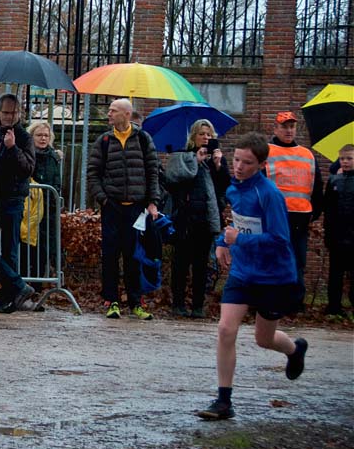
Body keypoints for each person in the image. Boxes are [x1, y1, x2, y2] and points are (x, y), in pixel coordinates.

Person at [198, 132, 308, 421]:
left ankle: (294, 349)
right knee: (225, 330)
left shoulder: (269, 194)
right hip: (243, 272)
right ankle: (224, 401)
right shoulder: (234, 189)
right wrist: (223, 242)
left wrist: (238, 240)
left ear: (261, 165)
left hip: (273, 276)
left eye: (247, 162)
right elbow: (238, 225)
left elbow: (280, 240)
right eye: (236, 159)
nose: (239, 166)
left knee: (263, 338)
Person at [87, 98, 160, 320]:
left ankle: (136, 302)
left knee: (134, 256)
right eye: (109, 110)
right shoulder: (104, 141)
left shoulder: (143, 139)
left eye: (113, 110)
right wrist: (103, 199)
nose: (109, 114)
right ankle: (111, 301)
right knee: (110, 256)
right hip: (112, 207)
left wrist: (152, 201)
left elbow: (152, 171)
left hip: (136, 208)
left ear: (127, 114)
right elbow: (92, 173)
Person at [164, 120, 229, 319]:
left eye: (209, 134)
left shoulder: (216, 160)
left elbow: (225, 186)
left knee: (201, 265)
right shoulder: (184, 156)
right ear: (194, 136)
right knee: (181, 263)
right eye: (202, 134)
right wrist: (195, 161)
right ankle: (178, 304)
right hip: (185, 218)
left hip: (205, 219)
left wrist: (218, 165)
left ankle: (198, 306)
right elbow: (173, 180)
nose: (206, 138)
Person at [264, 111, 323, 309]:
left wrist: (315, 212)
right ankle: (272, 302)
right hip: (275, 217)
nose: (289, 130)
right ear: (275, 128)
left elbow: (317, 186)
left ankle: (294, 304)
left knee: (297, 261)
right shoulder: (266, 152)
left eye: (292, 126)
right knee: (274, 259)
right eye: (284, 126)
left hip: (300, 217)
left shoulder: (307, 154)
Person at [0, 94, 38, 312]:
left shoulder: (24, 137)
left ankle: (9, 296)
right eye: (6, 112)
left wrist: (12, 148)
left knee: (10, 248)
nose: (9, 117)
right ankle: (17, 285)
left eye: (14, 113)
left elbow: (28, 168)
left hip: (13, 198)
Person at [28, 120, 62, 279]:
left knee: (44, 248)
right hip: (30, 209)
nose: (43, 138)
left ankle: (38, 283)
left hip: (49, 209)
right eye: (39, 135)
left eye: (46, 135)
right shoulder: (27, 155)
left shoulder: (53, 157)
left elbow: (57, 181)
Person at [323, 144, 354, 318]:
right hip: (337, 236)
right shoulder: (334, 180)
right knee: (335, 274)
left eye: (349, 158)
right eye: (342, 158)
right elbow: (328, 208)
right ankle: (334, 307)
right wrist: (328, 233)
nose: (345, 161)